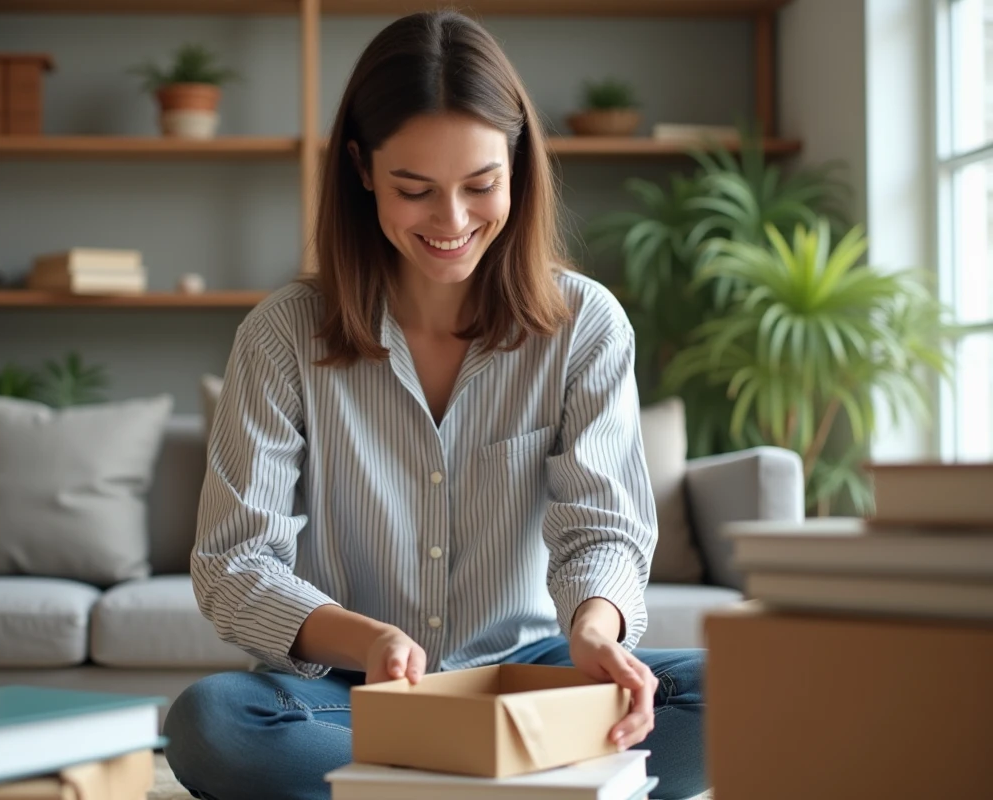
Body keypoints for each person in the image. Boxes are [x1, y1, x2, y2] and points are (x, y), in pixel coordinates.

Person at [163, 10, 705, 800]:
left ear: (518, 166)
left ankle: (408, 791)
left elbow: (604, 526)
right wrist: (370, 640)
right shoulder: (283, 335)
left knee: (740, 694)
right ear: (362, 169)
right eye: (415, 190)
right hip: (354, 700)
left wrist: (593, 632)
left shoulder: (585, 325)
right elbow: (234, 563)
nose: (452, 223)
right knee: (214, 720)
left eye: (480, 186)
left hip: (529, 685)